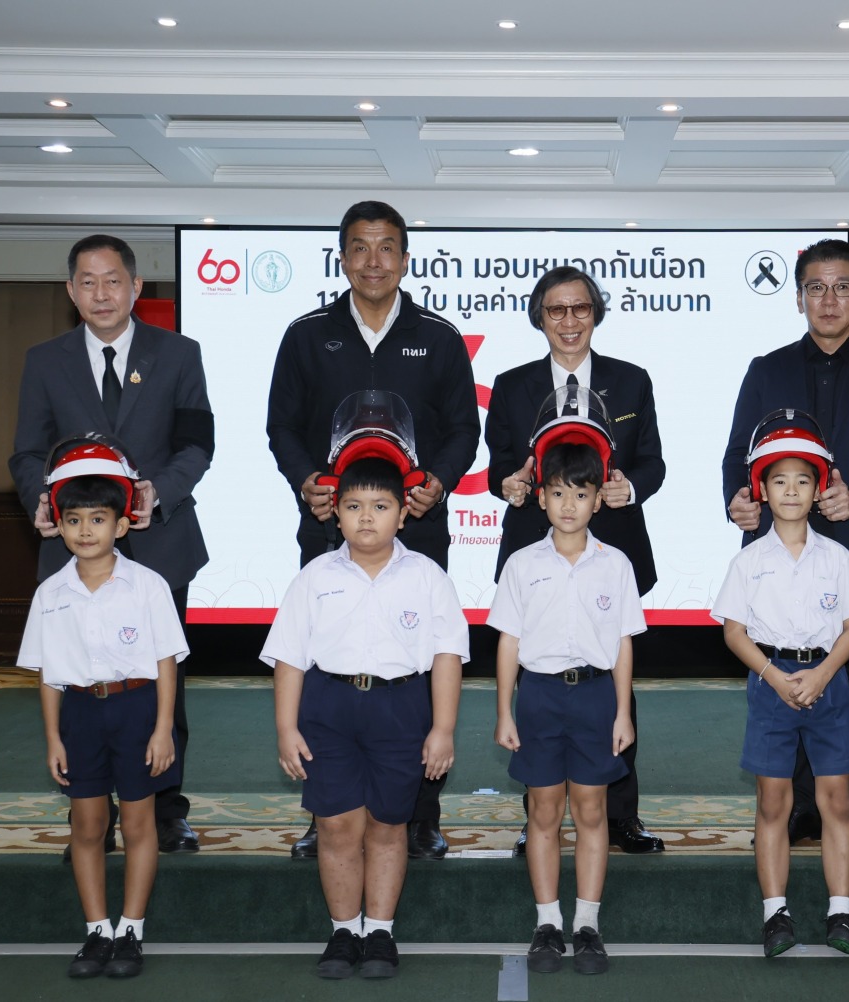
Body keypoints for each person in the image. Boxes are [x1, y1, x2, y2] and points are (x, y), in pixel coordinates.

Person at [267, 200, 479, 860]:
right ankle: (325, 809)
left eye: (386, 247)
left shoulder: (437, 336)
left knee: (416, 665)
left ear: (405, 259)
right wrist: (306, 479)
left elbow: (463, 428)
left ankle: (420, 813)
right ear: (343, 258)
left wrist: (439, 480)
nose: (373, 260)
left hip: (418, 527)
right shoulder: (308, 335)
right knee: (325, 661)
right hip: (328, 526)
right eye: (360, 247)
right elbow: (282, 425)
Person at [720, 239, 849, 863]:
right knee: (786, 675)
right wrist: (738, 501)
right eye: (816, 287)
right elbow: (737, 455)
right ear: (799, 298)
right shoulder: (766, 369)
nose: (829, 300)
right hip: (778, 550)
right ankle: (802, 810)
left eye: (842, 288)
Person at [10, 233, 213, 857]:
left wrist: (160, 491)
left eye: (113, 280)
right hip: (75, 550)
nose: (102, 293)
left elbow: (197, 443)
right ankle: (92, 812)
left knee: (162, 679)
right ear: (71, 291)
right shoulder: (45, 360)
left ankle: (166, 808)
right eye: (88, 282)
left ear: (136, 287)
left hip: (161, 543)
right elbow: (26, 452)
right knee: (81, 678)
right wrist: (41, 499)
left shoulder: (179, 353)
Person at [262, 454, 467, 981]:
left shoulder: (427, 577)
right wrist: (286, 728)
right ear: (336, 512)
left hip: (401, 708)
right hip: (328, 709)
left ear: (403, 513)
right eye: (354, 506)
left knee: (388, 824)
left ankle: (379, 931)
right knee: (336, 825)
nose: (367, 517)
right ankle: (343, 931)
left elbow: (447, 656)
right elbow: (289, 657)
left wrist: (442, 729)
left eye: (380, 506)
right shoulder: (314, 577)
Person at [486, 264, 666, 855]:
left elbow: (653, 463)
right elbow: (497, 468)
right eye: (556, 310)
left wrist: (629, 488)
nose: (569, 321)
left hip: (610, 554)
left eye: (580, 308)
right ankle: (536, 815)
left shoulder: (631, 380)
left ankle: (621, 816)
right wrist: (510, 482)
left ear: (596, 315)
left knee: (614, 684)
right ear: (539, 317)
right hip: (535, 553)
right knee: (536, 685)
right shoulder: (511, 385)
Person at [17, 445, 187, 980]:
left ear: (122, 524)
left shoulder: (148, 586)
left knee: (138, 823)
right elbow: (49, 674)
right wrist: (54, 738)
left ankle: (131, 929)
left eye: (97, 519)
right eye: (73, 520)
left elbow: (166, 664)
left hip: (137, 710)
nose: (85, 530)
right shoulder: (50, 593)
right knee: (87, 824)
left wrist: (163, 729)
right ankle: (97, 930)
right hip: (80, 715)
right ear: (59, 525)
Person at [712, 414, 849, 957]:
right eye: (779, 480)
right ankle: (775, 913)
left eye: (803, 481)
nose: (790, 491)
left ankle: (841, 912)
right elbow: (734, 632)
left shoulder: (838, 557)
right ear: (761, 489)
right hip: (771, 684)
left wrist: (823, 673)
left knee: (837, 802)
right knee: (772, 803)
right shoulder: (749, 560)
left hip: (828, 683)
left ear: (818, 488)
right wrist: (774, 676)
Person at [490, 431, 644, 976]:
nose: (569, 504)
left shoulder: (616, 565)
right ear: (541, 497)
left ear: (598, 500)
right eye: (558, 492)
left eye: (581, 494)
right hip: (539, 696)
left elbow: (623, 643)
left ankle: (588, 925)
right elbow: (508, 641)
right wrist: (504, 710)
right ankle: (548, 923)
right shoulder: (521, 564)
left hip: (596, 696)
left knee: (592, 811)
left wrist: (622, 711)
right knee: (544, 811)